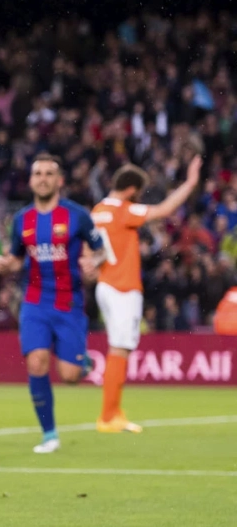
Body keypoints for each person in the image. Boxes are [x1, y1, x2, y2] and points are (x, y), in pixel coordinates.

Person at [0, 153, 103, 454]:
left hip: (69, 304)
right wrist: (5, 265)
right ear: (30, 180)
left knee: (69, 377)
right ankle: (49, 434)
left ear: (59, 180)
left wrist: (94, 263)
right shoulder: (21, 219)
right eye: (37, 173)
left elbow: (100, 250)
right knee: (37, 362)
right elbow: (17, 259)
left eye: (49, 173)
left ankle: (82, 364)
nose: (42, 178)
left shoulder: (77, 215)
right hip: (35, 303)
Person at [91, 157, 202, 433]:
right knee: (120, 348)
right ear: (131, 190)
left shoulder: (98, 209)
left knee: (119, 347)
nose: (138, 198)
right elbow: (164, 210)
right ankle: (108, 416)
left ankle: (113, 411)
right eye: (138, 193)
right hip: (122, 287)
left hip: (106, 283)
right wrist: (189, 183)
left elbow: (94, 249)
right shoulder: (123, 210)